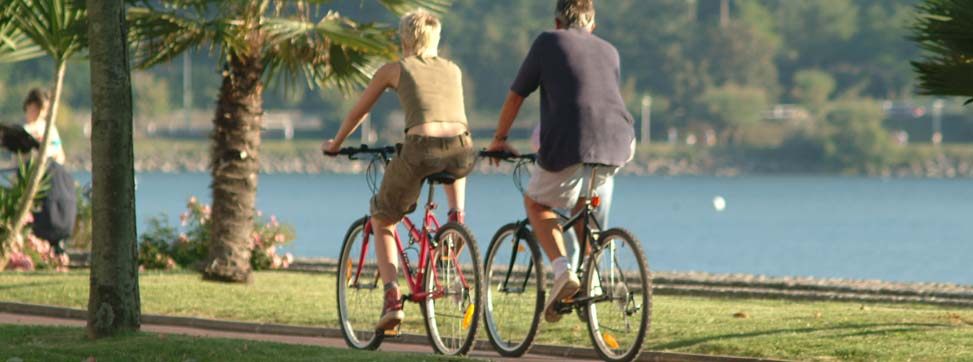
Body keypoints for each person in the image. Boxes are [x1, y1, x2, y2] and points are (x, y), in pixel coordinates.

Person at [323, 10, 475, 331]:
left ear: (404, 39)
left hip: (421, 147)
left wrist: (336, 143)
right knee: (455, 149)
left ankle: (392, 298)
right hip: (463, 150)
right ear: (436, 38)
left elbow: (359, 112)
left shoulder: (395, 68)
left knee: (382, 216)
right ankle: (456, 218)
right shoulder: (454, 69)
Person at [485, 0, 635, 323]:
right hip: (620, 142)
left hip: (571, 141)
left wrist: (499, 139)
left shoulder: (547, 42)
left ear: (556, 23)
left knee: (537, 203)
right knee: (583, 206)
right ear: (592, 25)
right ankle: (589, 284)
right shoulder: (610, 51)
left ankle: (563, 271)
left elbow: (516, 96)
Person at [22, 88, 66, 165]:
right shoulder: (21, 128)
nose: (40, 114)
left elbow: (59, 152)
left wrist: (48, 151)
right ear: (28, 105)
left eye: (44, 110)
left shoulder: (49, 128)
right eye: (36, 109)